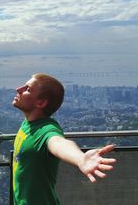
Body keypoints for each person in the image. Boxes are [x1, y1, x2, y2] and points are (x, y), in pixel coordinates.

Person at [11, 73, 116, 205]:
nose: (18, 89)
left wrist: (81, 158)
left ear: (41, 102)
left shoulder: (46, 130)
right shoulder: (28, 124)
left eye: (27, 89)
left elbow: (58, 143)